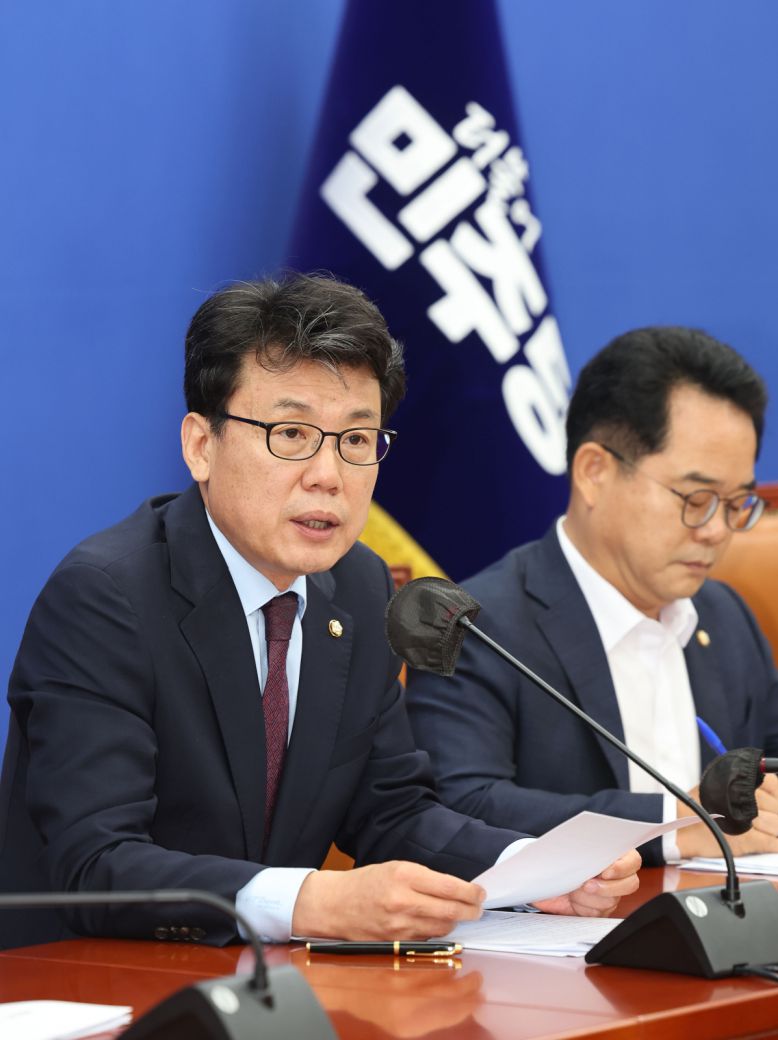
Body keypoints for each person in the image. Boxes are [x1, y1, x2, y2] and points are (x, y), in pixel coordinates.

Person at [0, 274, 638, 949]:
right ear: (201, 446)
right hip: (86, 978)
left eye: (356, 440)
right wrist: (310, 900)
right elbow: (96, 863)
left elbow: (390, 810)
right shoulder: (107, 596)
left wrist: (526, 869)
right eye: (291, 433)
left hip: (261, 982)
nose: (328, 476)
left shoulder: (358, 586)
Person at [407, 326, 778, 865]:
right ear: (595, 472)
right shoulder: (479, 627)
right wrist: (672, 826)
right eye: (697, 499)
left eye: (737, 503)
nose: (718, 531)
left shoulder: (726, 617)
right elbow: (457, 805)